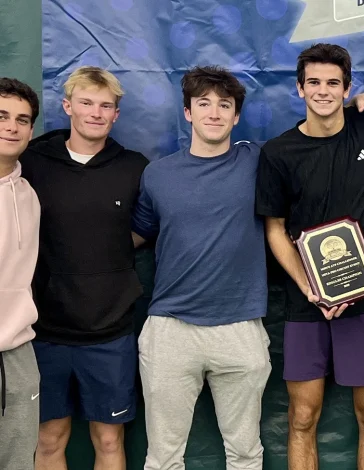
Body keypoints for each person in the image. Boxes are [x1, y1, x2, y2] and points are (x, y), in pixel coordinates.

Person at [256, 43, 364, 470]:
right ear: (299, 89)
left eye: (333, 83)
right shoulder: (278, 153)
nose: (322, 91)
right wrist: (310, 286)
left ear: (347, 87)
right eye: (313, 82)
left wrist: (359, 105)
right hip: (306, 303)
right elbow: (275, 230)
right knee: (301, 417)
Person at [130, 66, 272, 470]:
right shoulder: (158, 175)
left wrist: (353, 108)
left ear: (236, 115)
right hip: (171, 330)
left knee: (245, 453)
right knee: (163, 457)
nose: (214, 113)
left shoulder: (258, 162)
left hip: (240, 328)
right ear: (188, 112)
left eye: (224, 105)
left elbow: (313, 140)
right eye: (203, 103)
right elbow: (137, 235)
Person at [18, 66, 148, 470]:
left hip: (109, 332)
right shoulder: (34, 159)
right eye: (87, 103)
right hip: (44, 332)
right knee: (49, 437)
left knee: (109, 439)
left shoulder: (134, 167)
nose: (96, 112)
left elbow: (146, 228)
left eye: (105, 105)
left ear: (116, 115)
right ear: (67, 106)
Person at [0, 77, 41, 470]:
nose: (11, 127)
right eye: (1, 116)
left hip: (17, 356)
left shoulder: (29, 195)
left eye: (22, 119)